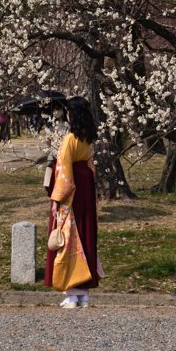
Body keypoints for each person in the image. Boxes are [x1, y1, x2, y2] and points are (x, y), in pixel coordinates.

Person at [48, 97, 101, 308]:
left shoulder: (69, 139)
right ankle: (84, 294)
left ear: (72, 114)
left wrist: (57, 199)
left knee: (69, 237)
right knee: (85, 234)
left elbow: (64, 173)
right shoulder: (88, 137)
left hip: (72, 191)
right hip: (86, 187)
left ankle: (71, 294)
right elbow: (89, 165)